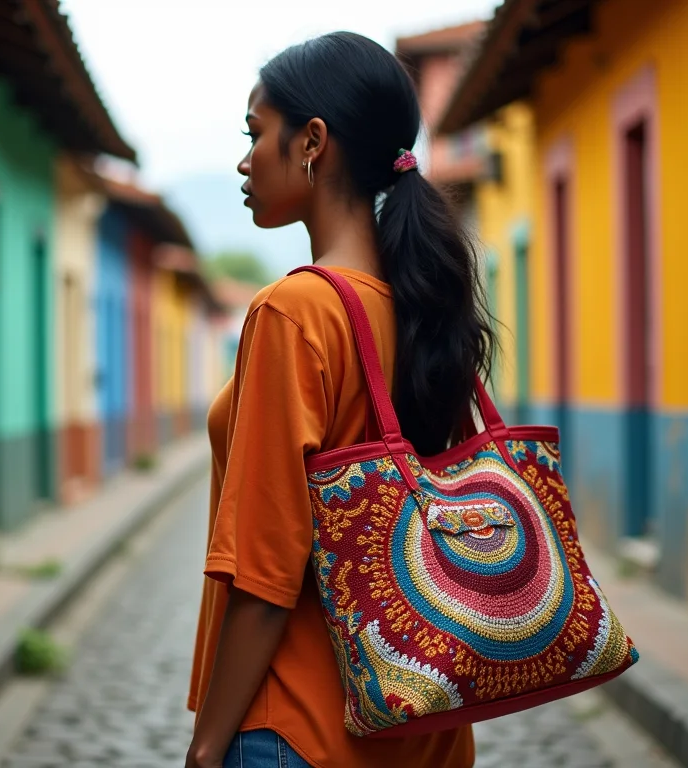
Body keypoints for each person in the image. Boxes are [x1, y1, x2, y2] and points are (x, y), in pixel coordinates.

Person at [185, 31, 495, 768]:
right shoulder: (421, 305)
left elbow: (265, 567)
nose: (244, 158)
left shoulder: (295, 311)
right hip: (427, 730)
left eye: (255, 133)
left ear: (312, 141)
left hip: (302, 729)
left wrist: (205, 749)